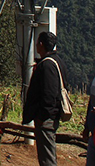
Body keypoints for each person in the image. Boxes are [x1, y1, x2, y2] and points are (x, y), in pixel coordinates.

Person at [22, 32, 67, 166]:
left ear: (41, 44)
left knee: (46, 156)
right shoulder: (58, 62)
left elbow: (49, 94)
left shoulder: (46, 65)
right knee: (47, 153)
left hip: (47, 118)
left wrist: (42, 117)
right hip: (51, 115)